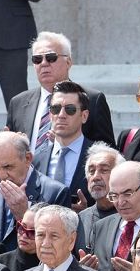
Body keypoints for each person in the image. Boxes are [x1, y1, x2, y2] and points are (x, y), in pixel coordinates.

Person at [7, 32, 115, 149]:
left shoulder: (92, 99)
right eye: (37, 59)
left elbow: (107, 151)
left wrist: (70, 142)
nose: (44, 63)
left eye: (51, 58)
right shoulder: (18, 103)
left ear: (68, 62)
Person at [0, 131, 68, 250]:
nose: (2, 175)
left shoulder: (55, 193)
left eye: (8, 167)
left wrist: (24, 214)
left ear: (28, 159)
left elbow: (57, 247)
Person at [29, 79, 97, 208]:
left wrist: (87, 213)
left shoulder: (99, 156)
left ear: (84, 116)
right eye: (56, 108)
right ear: (50, 114)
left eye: (70, 109)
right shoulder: (37, 159)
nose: (61, 115)